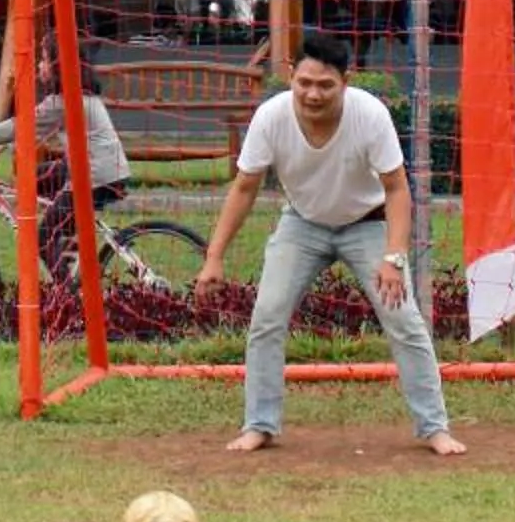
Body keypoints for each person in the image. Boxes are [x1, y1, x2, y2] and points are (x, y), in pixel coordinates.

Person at [193, 29, 464, 457]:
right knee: (267, 316)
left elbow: (397, 189)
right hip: (302, 223)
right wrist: (214, 257)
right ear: (290, 76)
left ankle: (434, 428)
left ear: (346, 81)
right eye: (304, 83)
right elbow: (244, 187)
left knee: (403, 319)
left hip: (368, 223)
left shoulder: (370, 115)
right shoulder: (271, 117)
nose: (313, 94)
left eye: (325, 85)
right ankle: (259, 425)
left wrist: (394, 257)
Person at [0, 42, 131, 274]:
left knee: (44, 238)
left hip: (96, 177)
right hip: (100, 169)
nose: (39, 65)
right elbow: (28, 129)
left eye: (44, 59)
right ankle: (69, 246)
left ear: (58, 66)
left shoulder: (63, 102)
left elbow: (22, 125)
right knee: (32, 178)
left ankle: (65, 291)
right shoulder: (77, 94)